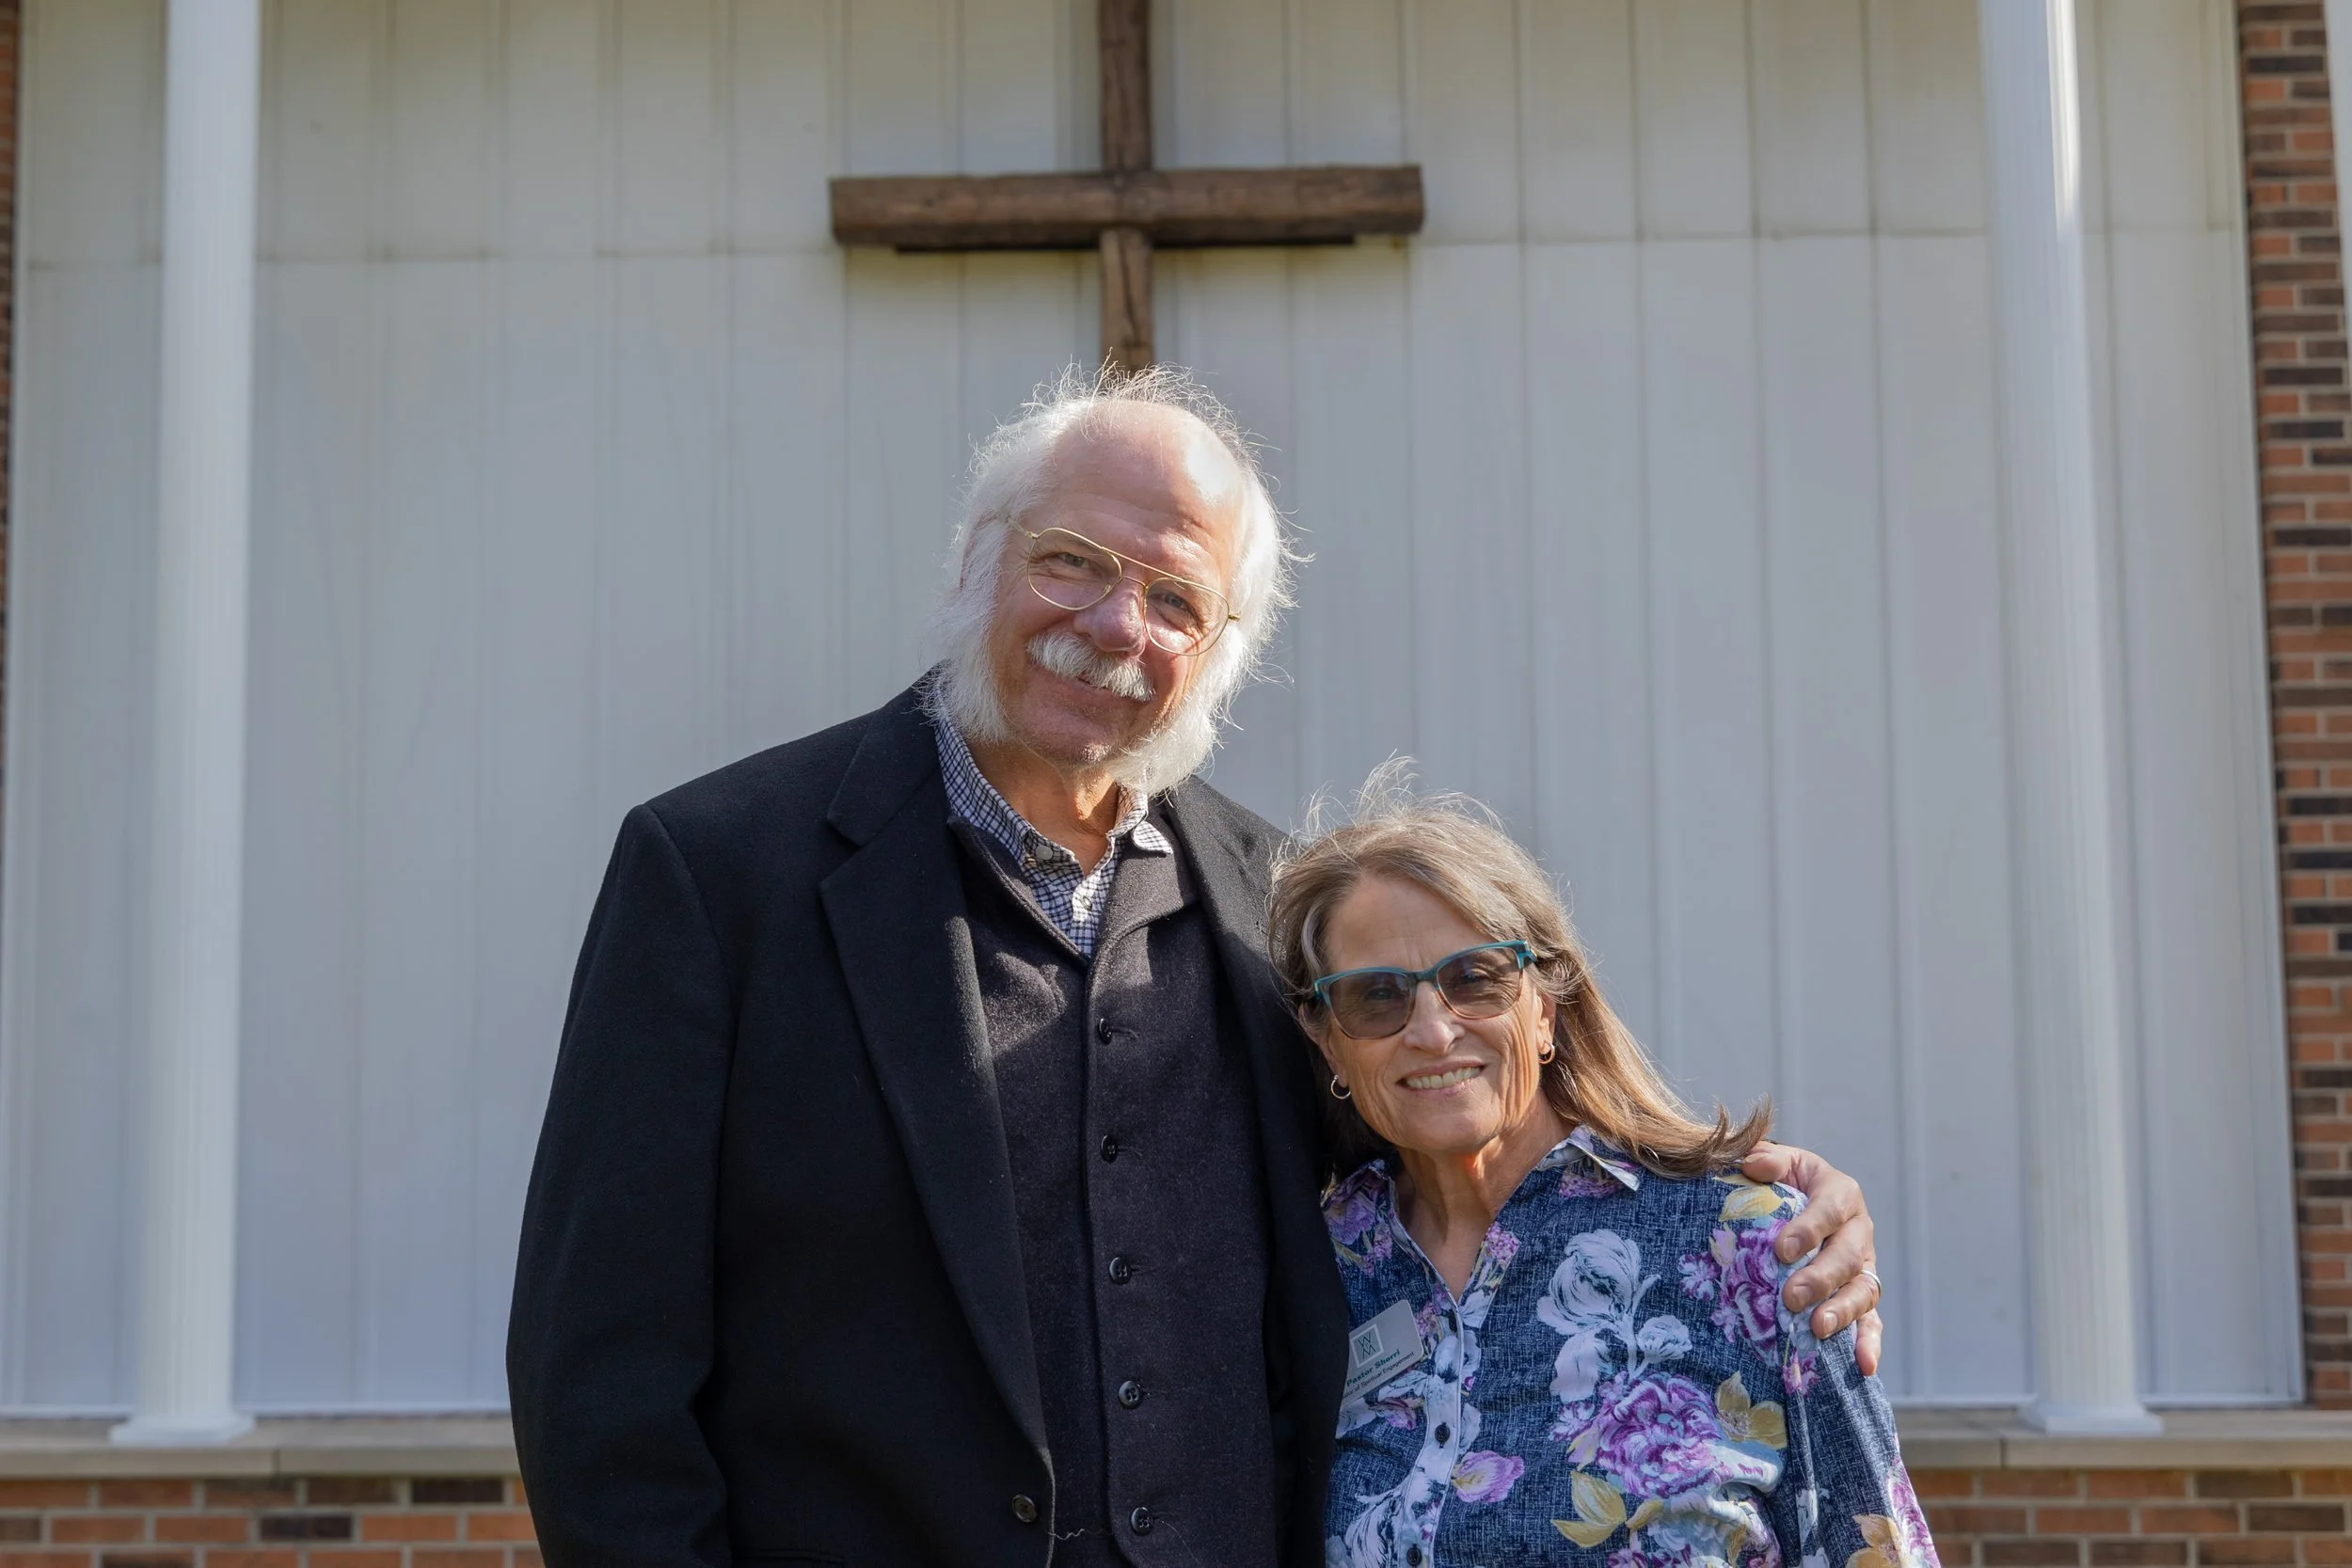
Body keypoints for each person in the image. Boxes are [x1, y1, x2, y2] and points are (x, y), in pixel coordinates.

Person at [506, 367, 1887, 1568]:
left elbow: (1449, 1138)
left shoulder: (1274, 906)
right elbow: (601, 1368)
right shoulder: (721, 874)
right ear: (979, 557)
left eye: (1178, 598)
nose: (1119, 625)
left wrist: (1762, 1201)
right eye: (1073, 562)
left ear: (1223, 653)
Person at [1270, 774, 1928, 1568]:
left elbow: (1873, 1547)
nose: (1434, 1030)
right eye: (1376, 997)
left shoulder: (1751, 1246)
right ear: (1329, 1040)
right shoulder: (1312, 1270)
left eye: (1475, 977)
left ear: (1545, 1008)